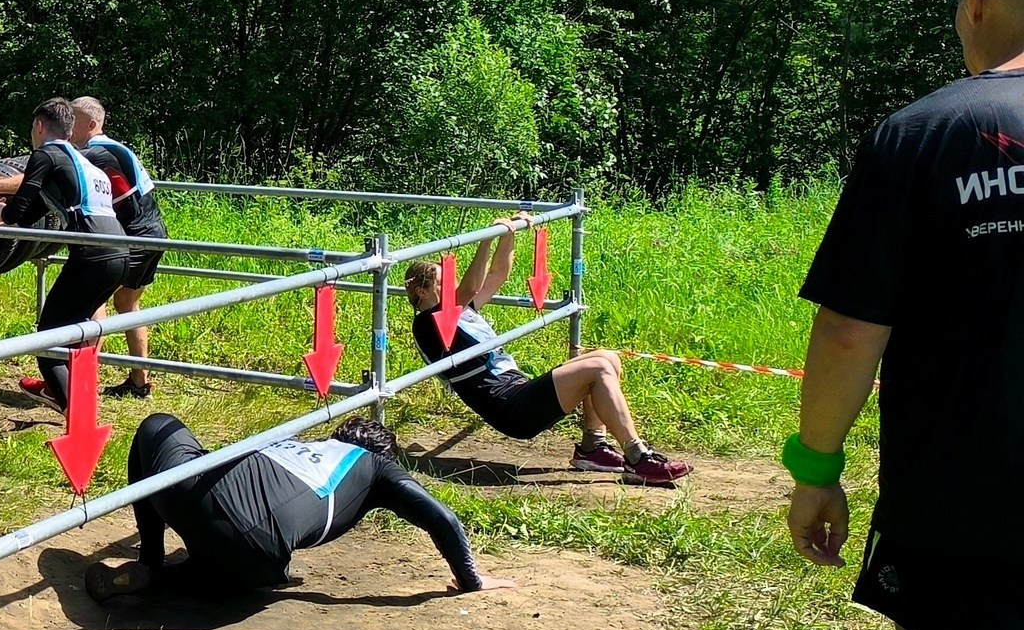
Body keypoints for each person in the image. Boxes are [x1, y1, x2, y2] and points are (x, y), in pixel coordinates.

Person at [790, 0, 1024, 630]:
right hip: (966, 510)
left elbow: (851, 332)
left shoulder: (926, 133)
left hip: (965, 507)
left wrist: (815, 467)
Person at [84, 413, 512, 601]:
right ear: (385, 455)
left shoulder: (298, 442)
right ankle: (170, 578)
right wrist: (471, 579)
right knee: (249, 566)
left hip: (189, 493)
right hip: (259, 556)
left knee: (157, 425)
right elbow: (441, 517)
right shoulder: (377, 469)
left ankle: (151, 562)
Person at [403, 214, 690, 487]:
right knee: (598, 368)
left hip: (517, 389)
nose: (452, 286)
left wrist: (508, 232)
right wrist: (486, 239)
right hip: (509, 406)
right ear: (421, 292)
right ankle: (638, 458)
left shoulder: (463, 311)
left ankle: (593, 447)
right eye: (443, 282)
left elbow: (498, 274)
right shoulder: (427, 325)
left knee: (607, 357)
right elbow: (470, 287)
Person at [0, 97, 130, 407]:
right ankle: (80, 406)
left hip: (91, 254)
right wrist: (8, 216)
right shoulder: (80, 161)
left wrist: (1, 213)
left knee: (48, 339)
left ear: (40, 126)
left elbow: (19, 209)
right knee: (76, 332)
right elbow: (33, 211)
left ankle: (74, 411)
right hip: (119, 253)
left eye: (32, 128)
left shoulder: (46, 154)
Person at [71, 96, 170, 399]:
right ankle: (139, 382)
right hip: (154, 232)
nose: (68, 126)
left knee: (93, 297)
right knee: (127, 303)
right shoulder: (118, 148)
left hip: (133, 235)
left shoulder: (94, 153)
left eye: (73, 120)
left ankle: (81, 385)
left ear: (91, 124)